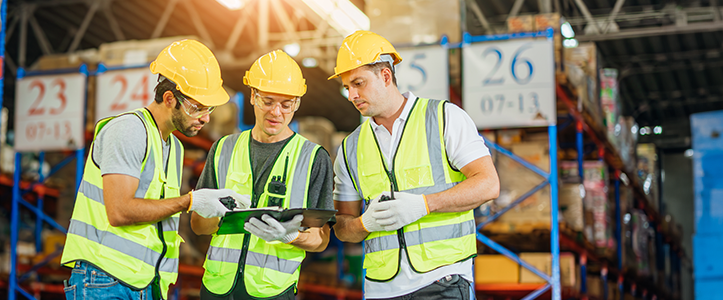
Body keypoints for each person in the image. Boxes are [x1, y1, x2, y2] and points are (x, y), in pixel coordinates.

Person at [60, 39, 250, 300]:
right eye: (197, 107)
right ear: (169, 98)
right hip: (104, 280)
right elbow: (119, 211)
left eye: (209, 108)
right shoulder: (128, 130)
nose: (205, 117)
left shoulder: (175, 147)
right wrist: (190, 201)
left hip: (146, 282)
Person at [328, 31, 500, 300]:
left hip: (442, 280)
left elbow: (488, 184)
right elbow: (342, 227)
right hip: (380, 289)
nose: (352, 94)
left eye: (358, 83)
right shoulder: (351, 147)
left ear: (386, 76)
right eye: (347, 87)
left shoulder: (443, 117)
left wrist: (424, 205)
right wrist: (365, 223)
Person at [191, 50, 335, 300]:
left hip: (272, 291)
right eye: (267, 101)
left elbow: (321, 239)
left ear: (297, 103)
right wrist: (223, 217)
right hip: (217, 287)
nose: (276, 112)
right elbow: (198, 226)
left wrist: (290, 236)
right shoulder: (223, 149)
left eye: (286, 104)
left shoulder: (313, 158)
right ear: (252, 96)